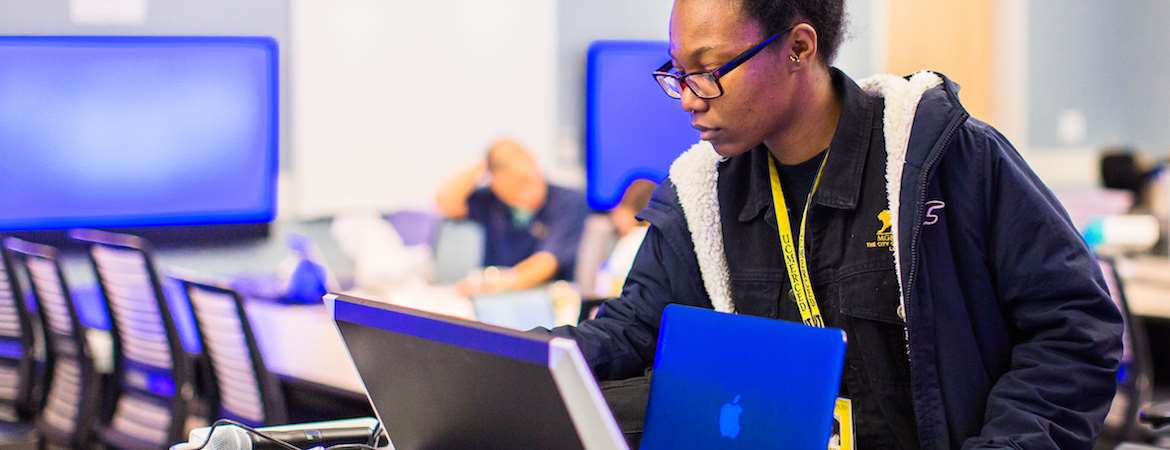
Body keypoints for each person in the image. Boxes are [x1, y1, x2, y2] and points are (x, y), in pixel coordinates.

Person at [546, 0, 1123, 448]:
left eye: (711, 70)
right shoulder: (702, 196)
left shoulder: (944, 159)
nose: (689, 99)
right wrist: (499, 360)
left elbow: (1073, 330)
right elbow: (629, 334)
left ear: (798, 46)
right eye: (679, 72)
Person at [436, 138, 589, 296]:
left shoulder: (569, 202)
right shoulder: (492, 203)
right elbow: (446, 201)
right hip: (499, 298)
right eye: (517, 184)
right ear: (496, 184)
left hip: (549, 297)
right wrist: (484, 165)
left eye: (532, 178)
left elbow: (546, 263)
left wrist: (493, 286)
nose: (530, 190)